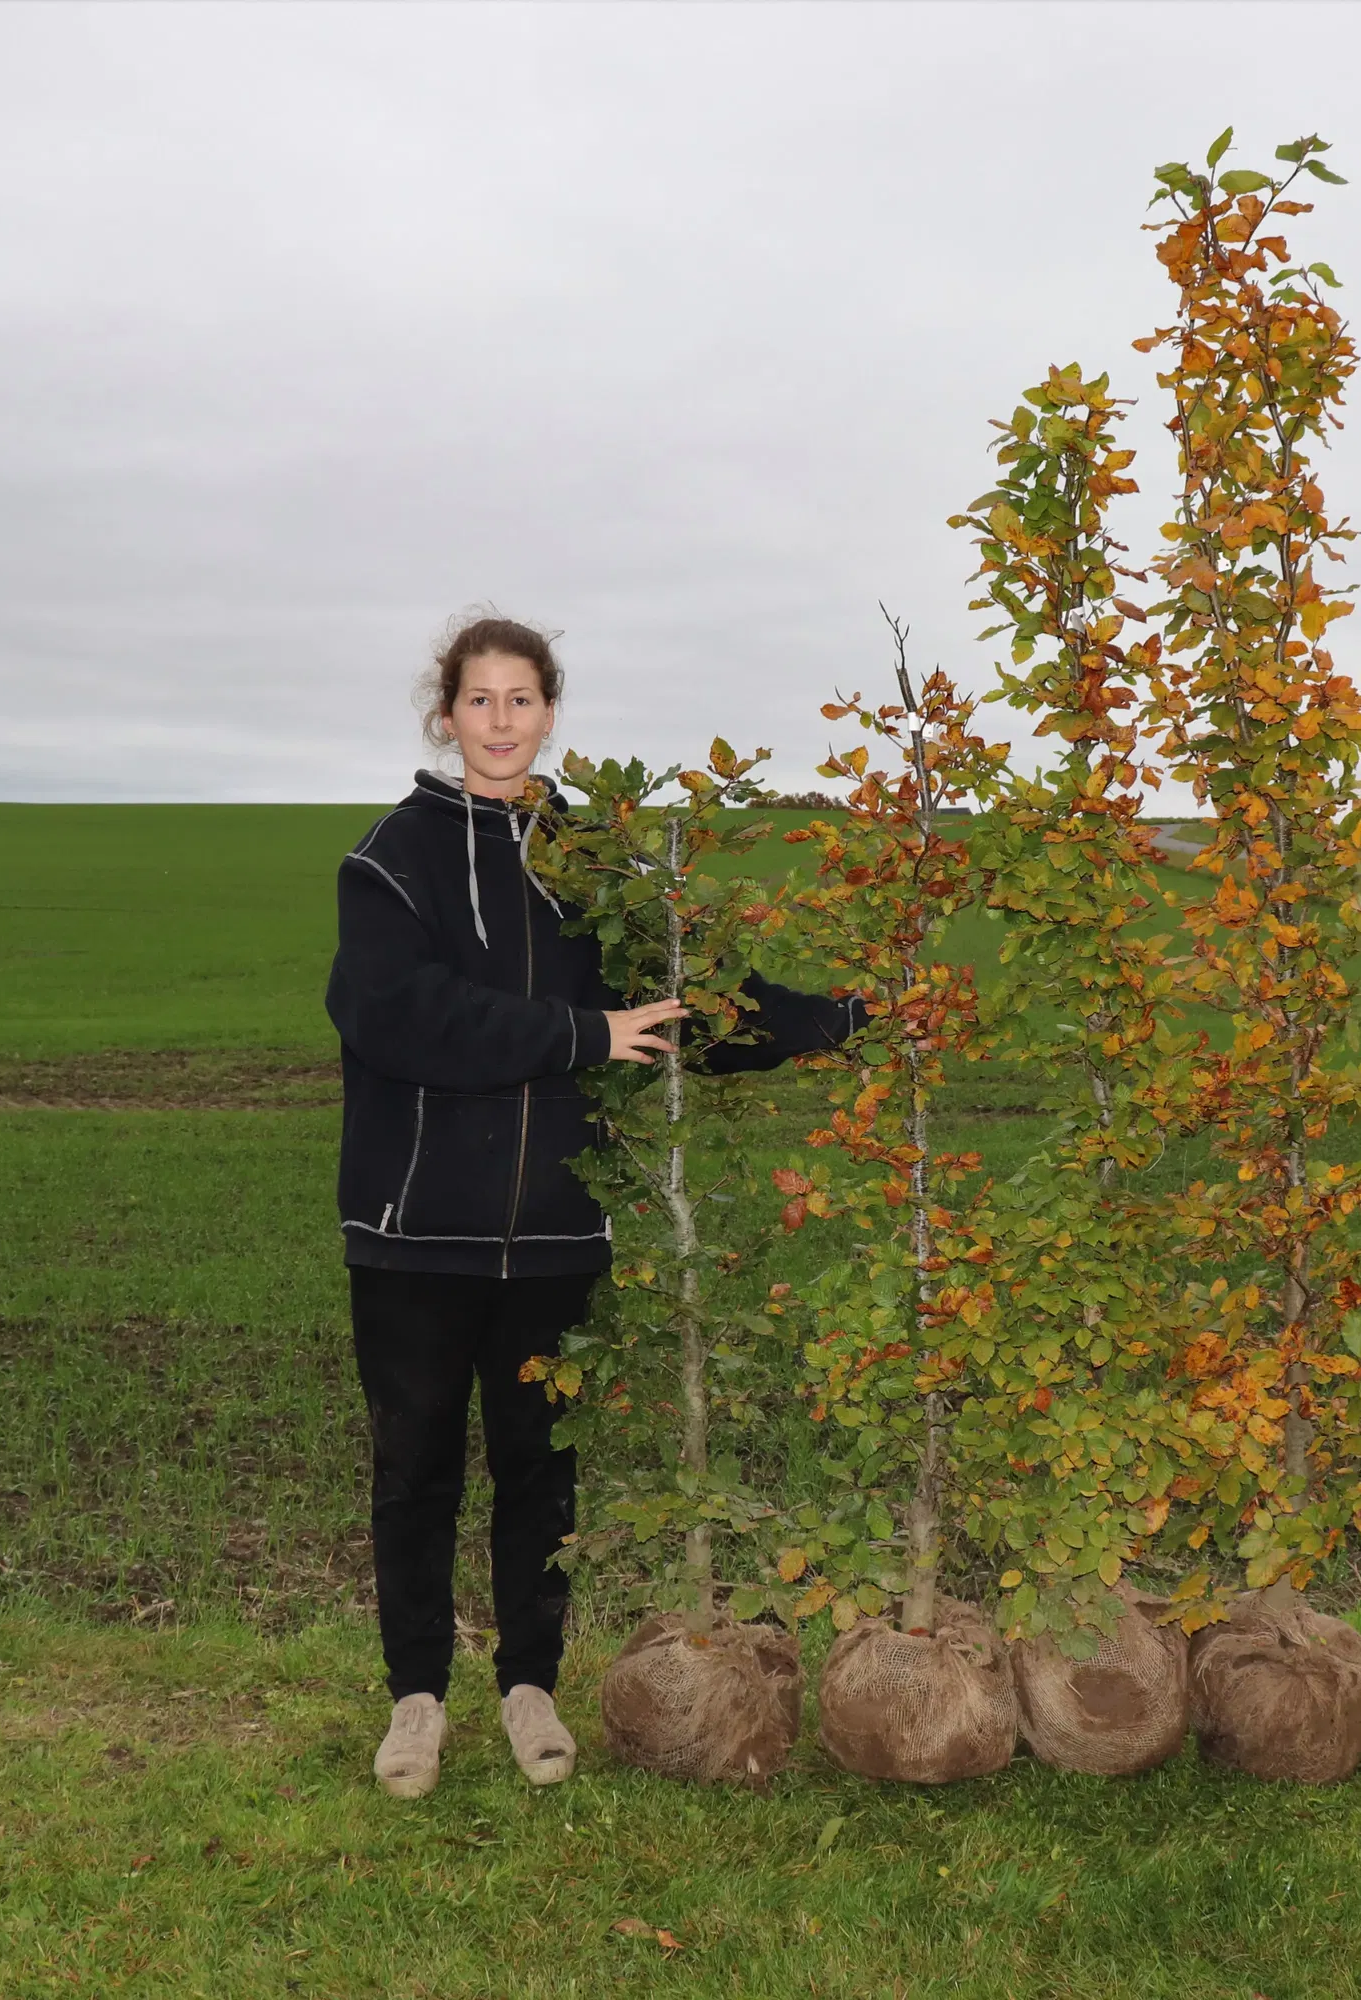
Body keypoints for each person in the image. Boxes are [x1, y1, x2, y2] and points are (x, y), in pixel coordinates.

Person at [324, 613, 858, 1798]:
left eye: (523, 699)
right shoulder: (389, 861)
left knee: (537, 1472)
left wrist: (839, 1018)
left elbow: (692, 1005)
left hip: (558, 1234)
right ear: (446, 713)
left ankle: (529, 1687)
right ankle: (415, 1698)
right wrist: (579, 1034)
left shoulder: (599, 868)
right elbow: (400, 1017)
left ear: (552, 712)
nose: (502, 721)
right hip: (415, 1234)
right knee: (413, 1470)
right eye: (480, 700)